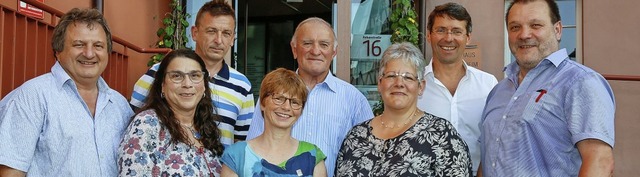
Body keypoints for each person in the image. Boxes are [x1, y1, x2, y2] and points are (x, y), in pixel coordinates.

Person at [479, 0, 615, 176]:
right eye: (515, 27)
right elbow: (489, 157)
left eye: (535, 25)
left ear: (557, 30)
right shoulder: (498, 91)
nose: (524, 34)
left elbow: (600, 162)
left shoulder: (580, 82)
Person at [0, 8, 133, 176]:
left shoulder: (119, 105)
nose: (89, 53)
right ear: (58, 51)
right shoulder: (33, 96)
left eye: (98, 46)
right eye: (79, 44)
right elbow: (10, 172)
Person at [246, 17, 374, 177]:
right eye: (307, 43)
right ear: (294, 49)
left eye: (324, 45)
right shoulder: (273, 94)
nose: (315, 51)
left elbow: (368, 156)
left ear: (334, 52)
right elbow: (252, 149)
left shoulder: (354, 100)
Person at [335, 42, 472, 176]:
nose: (399, 83)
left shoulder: (442, 135)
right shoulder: (356, 136)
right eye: (391, 76)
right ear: (380, 83)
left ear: (421, 86)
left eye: (408, 77)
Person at [130, 0, 254, 147]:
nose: (218, 40)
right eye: (211, 31)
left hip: (219, 169)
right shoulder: (160, 73)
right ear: (195, 33)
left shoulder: (242, 86)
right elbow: (133, 123)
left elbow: (241, 143)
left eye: (226, 33)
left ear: (233, 38)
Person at [416, 2, 497, 175]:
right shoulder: (413, 84)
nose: (448, 38)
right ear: (429, 35)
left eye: (457, 31)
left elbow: (496, 140)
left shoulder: (488, 85)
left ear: (468, 37)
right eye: (441, 30)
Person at [118, 49, 224, 176]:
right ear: (162, 85)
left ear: (204, 85)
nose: (187, 84)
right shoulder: (148, 124)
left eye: (195, 75)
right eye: (177, 76)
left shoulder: (205, 127)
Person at [221, 68, 327, 177]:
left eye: (295, 102)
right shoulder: (236, 155)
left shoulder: (313, 157)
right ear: (262, 103)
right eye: (279, 98)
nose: (286, 107)